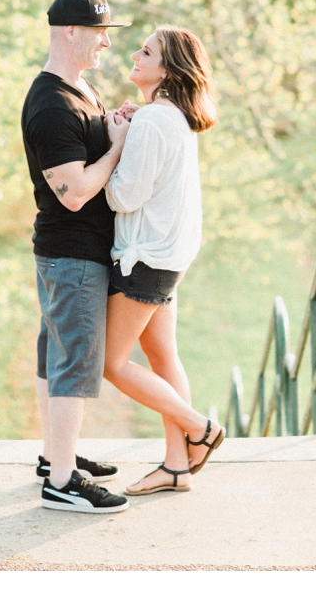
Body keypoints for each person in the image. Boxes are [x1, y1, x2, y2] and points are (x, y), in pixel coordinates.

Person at [21, 0, 135, 513]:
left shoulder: (80, 90)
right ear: (71, 31)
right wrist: (115, 147)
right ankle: (62, 484)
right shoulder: (50, 103)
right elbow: (74, 193)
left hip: (69, 253)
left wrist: (111, 126)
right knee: (74, 365)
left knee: (55, 355)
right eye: (99, 34)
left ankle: (53, 457)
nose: (106, 45)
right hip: (72, 253)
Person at [102, 25, 224, 495]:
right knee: (161, 356)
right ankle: (175, 466)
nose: (135, 54)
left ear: (167, 69)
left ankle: (201, 428)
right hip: (168, 256)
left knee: (112, 364)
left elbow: (124, 196)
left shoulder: (153, 120)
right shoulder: (167, 117)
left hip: (146, 259)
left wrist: (115, 142)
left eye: (146, 51)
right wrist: (131, 131)